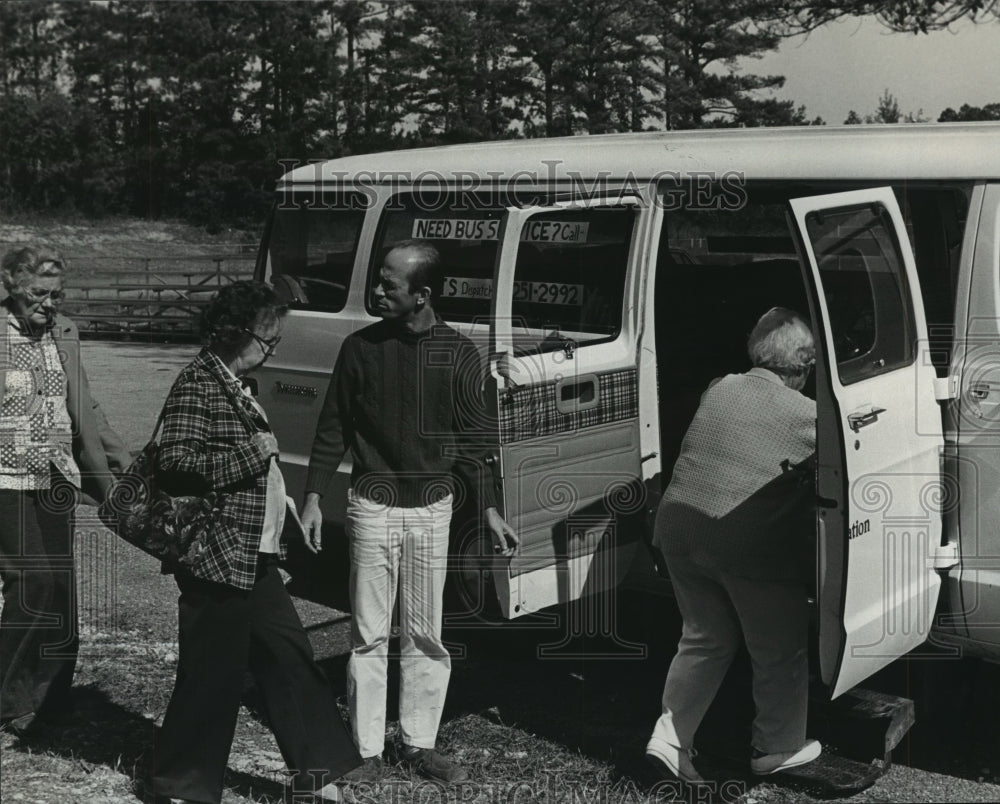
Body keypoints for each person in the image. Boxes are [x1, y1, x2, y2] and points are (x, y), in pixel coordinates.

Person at [301, 240, 518, 785]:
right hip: (371, 511)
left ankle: (420, 743)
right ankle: (366, 749)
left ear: (422, 296)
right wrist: (311, 497)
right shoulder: (358, 349)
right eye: (378, 280)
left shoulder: (460, 354)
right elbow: (333, 429)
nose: (376, 291)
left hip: (431, 513)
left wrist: (490, 508)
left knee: (425, 632)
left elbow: (477, 440)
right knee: (369, 633)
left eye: (388, 285)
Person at [148, 281, 360, 803]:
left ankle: (318, 775)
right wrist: (252, 454)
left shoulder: (234, 384)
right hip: (215, 553)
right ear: (231, 333)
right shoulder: (196, 383)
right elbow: (174, 464)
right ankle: (177, 783)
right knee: (212, 672)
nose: (272, 351)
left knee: (289, 657)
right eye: (267, 341)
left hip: (250, 551)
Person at [645, 307, 822, 782]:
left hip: (679, 530)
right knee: (778, 647)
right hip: (744, 544)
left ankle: (670, 739)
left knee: (705, 637)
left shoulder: (720, 386)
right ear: (804, 365)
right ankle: (776, 748)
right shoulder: (810, 415)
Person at [0, 245, 131, 735]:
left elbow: (86, 410)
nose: (49, 303)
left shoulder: (64, 333)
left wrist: (120, 463)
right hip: (5, 478)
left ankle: (50, 696)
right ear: (11, 285)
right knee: (30, 582)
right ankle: (10, 698)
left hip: (55, 477)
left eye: (57, 294)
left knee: (61, 590)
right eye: (38, 293)